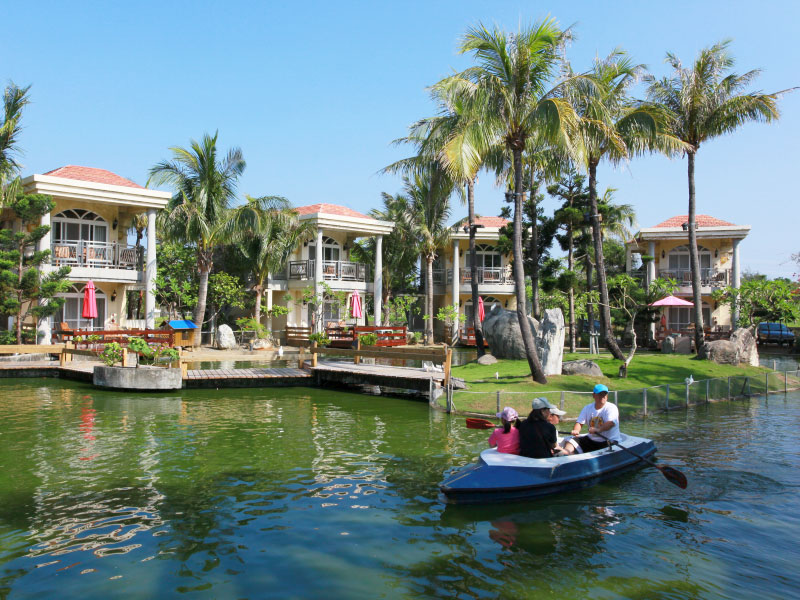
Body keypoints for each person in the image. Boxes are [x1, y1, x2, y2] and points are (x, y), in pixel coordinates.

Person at [561, 384, 621, 455]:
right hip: (591, 440)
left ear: (607, 396)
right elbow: (579, 423)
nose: (603, 396)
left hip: (609, 441)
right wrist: (576, 430)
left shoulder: (611, 408)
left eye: (604, 394)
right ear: (593, 395)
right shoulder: (587, 408)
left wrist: (597, 429)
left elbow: (611, 423)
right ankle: (566, 454)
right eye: (600, 394)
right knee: (570, 440)